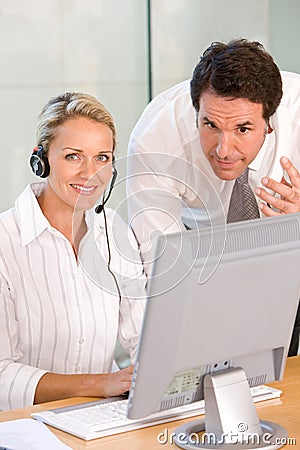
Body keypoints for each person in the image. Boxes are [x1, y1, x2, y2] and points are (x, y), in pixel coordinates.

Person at [126, 38, 300, 356]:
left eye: (243, 129)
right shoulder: (157, 137)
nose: (223, 149)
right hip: (204, 262)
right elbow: (162, 264)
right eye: (210, 124)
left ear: (270, 123)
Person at [0, 92, 146, 410]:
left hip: (100, 419)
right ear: (41, 160)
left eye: (102, 158)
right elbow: (1, 376)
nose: (89, 173)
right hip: (22, 426)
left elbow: (143, 334)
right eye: (73, 156)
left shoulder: (114, 231)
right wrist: (99, 384)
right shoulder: (5, 243)